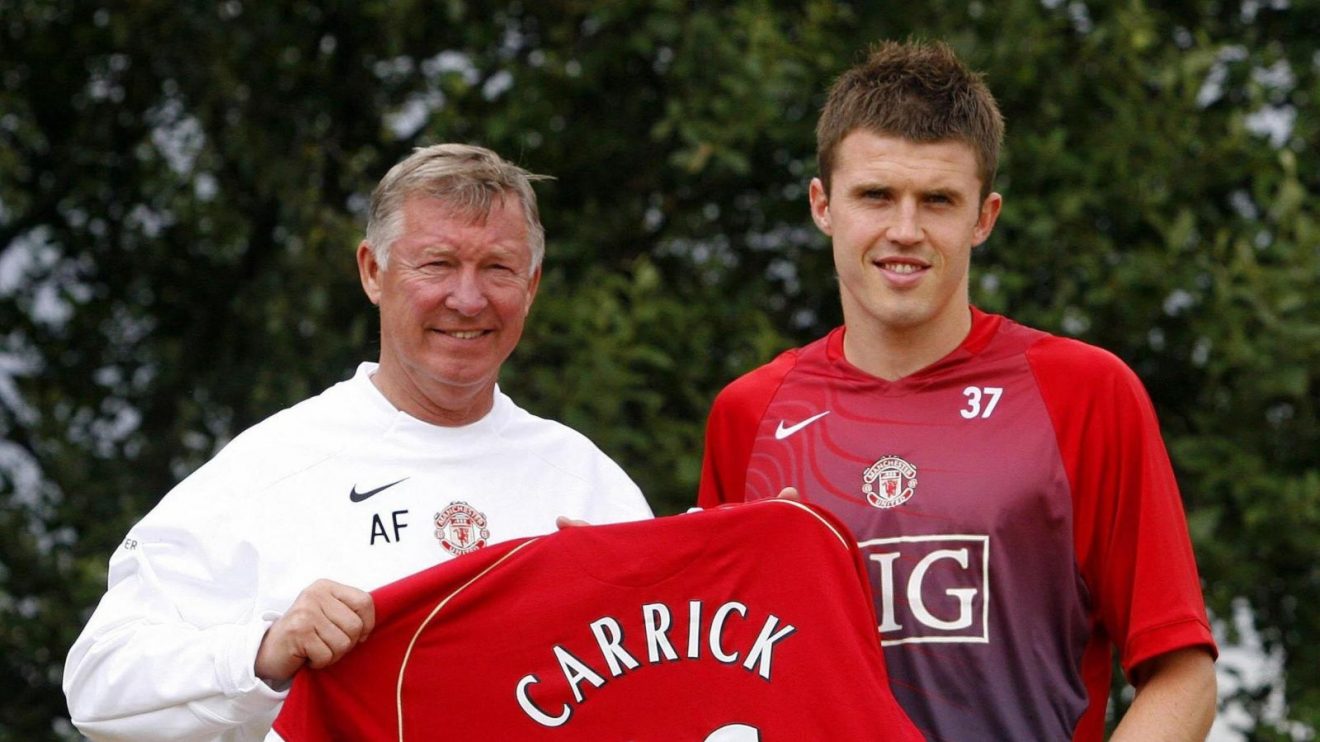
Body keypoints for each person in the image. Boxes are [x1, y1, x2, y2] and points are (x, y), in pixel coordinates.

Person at [699, 41, 1217, 741]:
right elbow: (712, 670)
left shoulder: (1085, 393)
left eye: (937, 200)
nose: (904, 231)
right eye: (876, 195)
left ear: (985, 216)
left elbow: (1181, 670)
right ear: (823, 205)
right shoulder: (749, 413)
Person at [63, 143, 653, 741]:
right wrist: (262, 652)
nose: (468, 299)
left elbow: (665, 702)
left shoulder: (592, 486)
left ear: (531, 284)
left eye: (498, 268)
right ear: (373, 271)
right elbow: (99, 686)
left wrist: (625, 607)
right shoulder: (270, 468)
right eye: (437, 264)